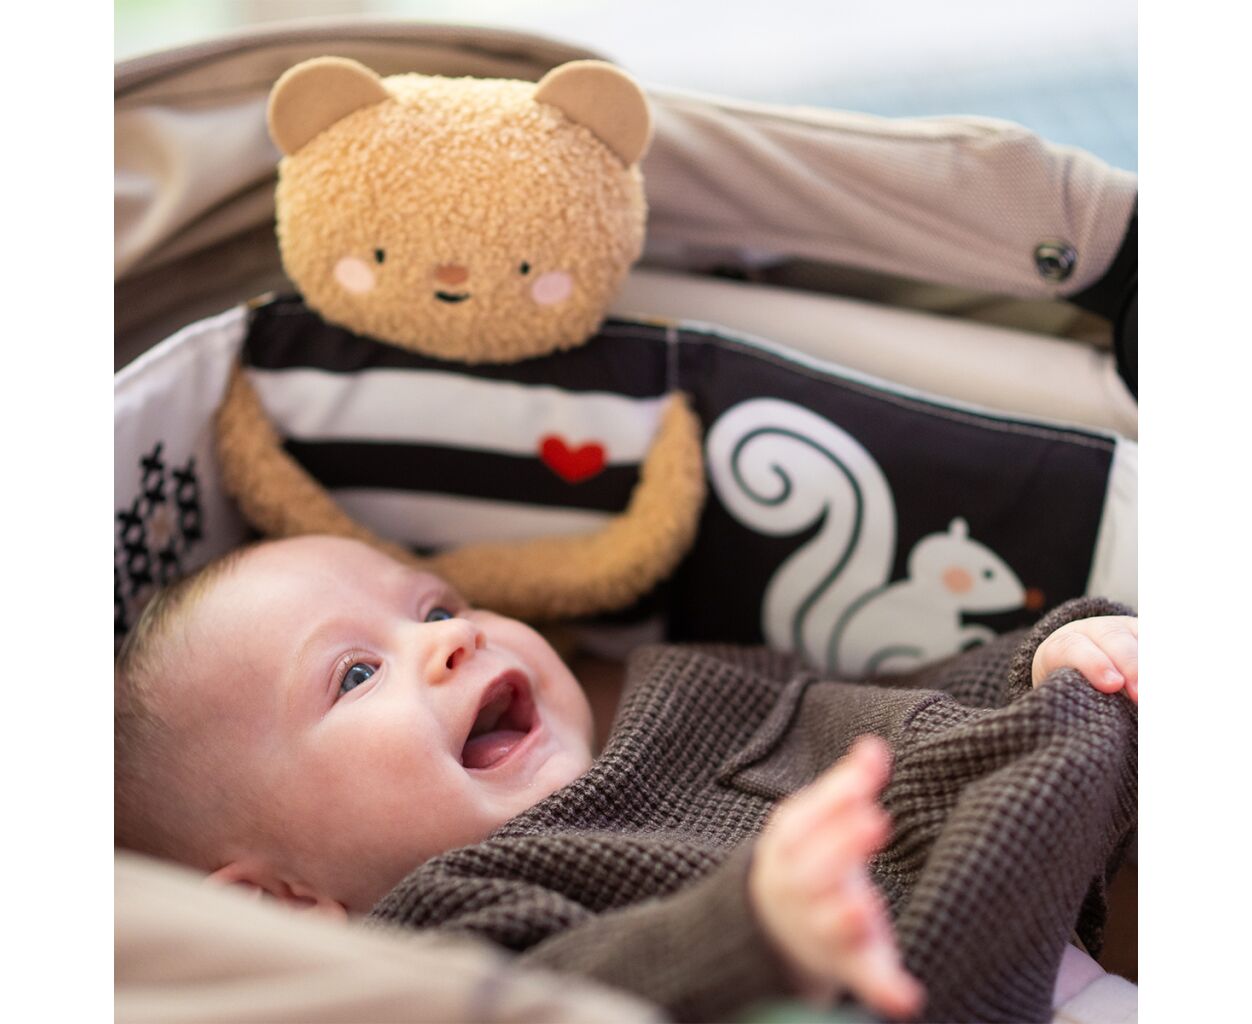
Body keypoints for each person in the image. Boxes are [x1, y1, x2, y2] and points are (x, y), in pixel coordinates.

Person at [115, 535, 1137, 1023]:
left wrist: (1037, 665)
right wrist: (753, 931)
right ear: (286, 903)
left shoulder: (682, 696)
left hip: (1054, 927)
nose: (448, 640)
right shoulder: (444, 934)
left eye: (434, 608)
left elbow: (896, 702)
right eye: (354, 674)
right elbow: (585, 989)